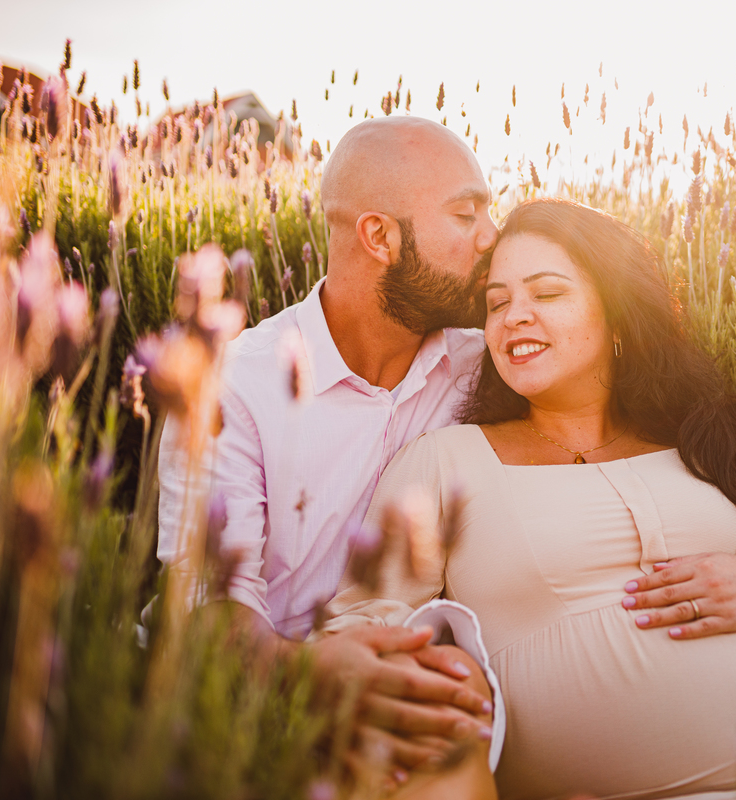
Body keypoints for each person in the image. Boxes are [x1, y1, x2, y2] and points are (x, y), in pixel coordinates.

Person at [319, 198, 736, 799]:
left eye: (548, 293)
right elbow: (356, 634)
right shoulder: (447, 461)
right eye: (498, 303)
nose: (515, 317)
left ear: (616, 313)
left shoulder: (706, 442)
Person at [156, 116, 502, 786]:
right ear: (378, 235)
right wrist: (308, 671)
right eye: (466, 214)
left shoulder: (483, 365)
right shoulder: (236, 385)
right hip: (238, 705)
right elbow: (206, 607)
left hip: (405, 689)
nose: (492, 236)